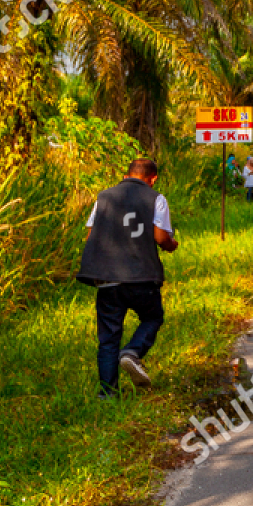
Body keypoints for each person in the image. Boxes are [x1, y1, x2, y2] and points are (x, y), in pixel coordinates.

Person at [77, 158, 179, 397]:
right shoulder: (156, 198)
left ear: (126, 176)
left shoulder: (104, 197)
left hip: (107, 278)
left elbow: (91, 234)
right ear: (152, 178)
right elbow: (161, 237)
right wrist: (172, 245)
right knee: (152, 317)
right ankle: (132, 352)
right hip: (141, 277)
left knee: (108, 337)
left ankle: (107, 394)